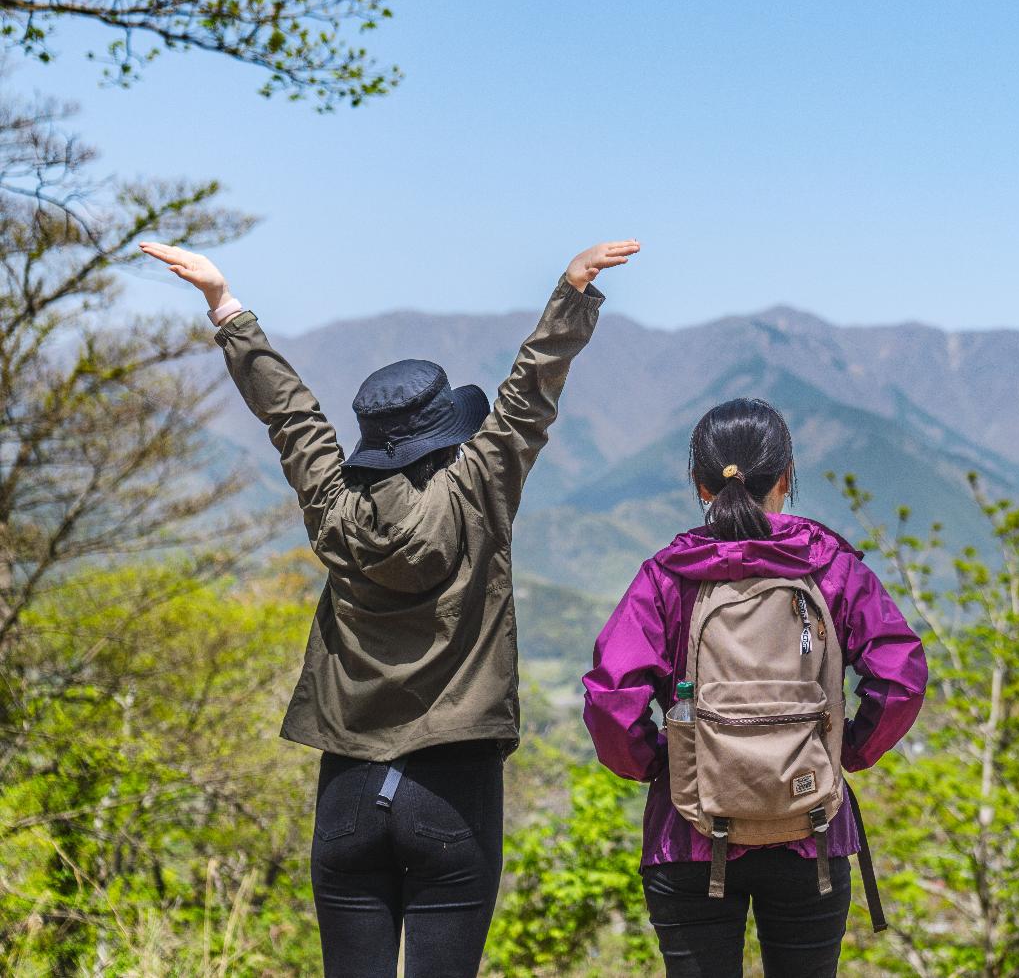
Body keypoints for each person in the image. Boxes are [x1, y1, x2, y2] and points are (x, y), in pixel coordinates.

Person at [141, 238, 641, 978]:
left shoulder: (335, 507)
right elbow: (527, 397)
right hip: (454, 791)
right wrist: (571, 292)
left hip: (347, 788)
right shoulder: (479, 487)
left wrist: (226, 305)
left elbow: (292, 417)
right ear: (449, 437)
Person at [583, 398, 927, 978]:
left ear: (700, 483)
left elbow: (612, 697)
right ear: (786, 479)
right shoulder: (829, 567)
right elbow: (901, 676)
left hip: (689, 830)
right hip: (811, 825)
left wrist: (665, 766)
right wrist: (843, 751)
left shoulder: (669, 575)